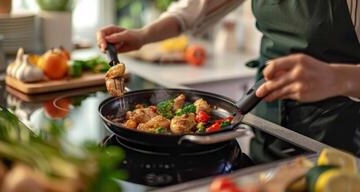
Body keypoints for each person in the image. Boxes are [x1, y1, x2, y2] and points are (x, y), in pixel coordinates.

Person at [97, 0, 360, 157]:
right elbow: (197, 8)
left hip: (339, 132)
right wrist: (143, 35)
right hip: (267, 116)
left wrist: (338, 78)